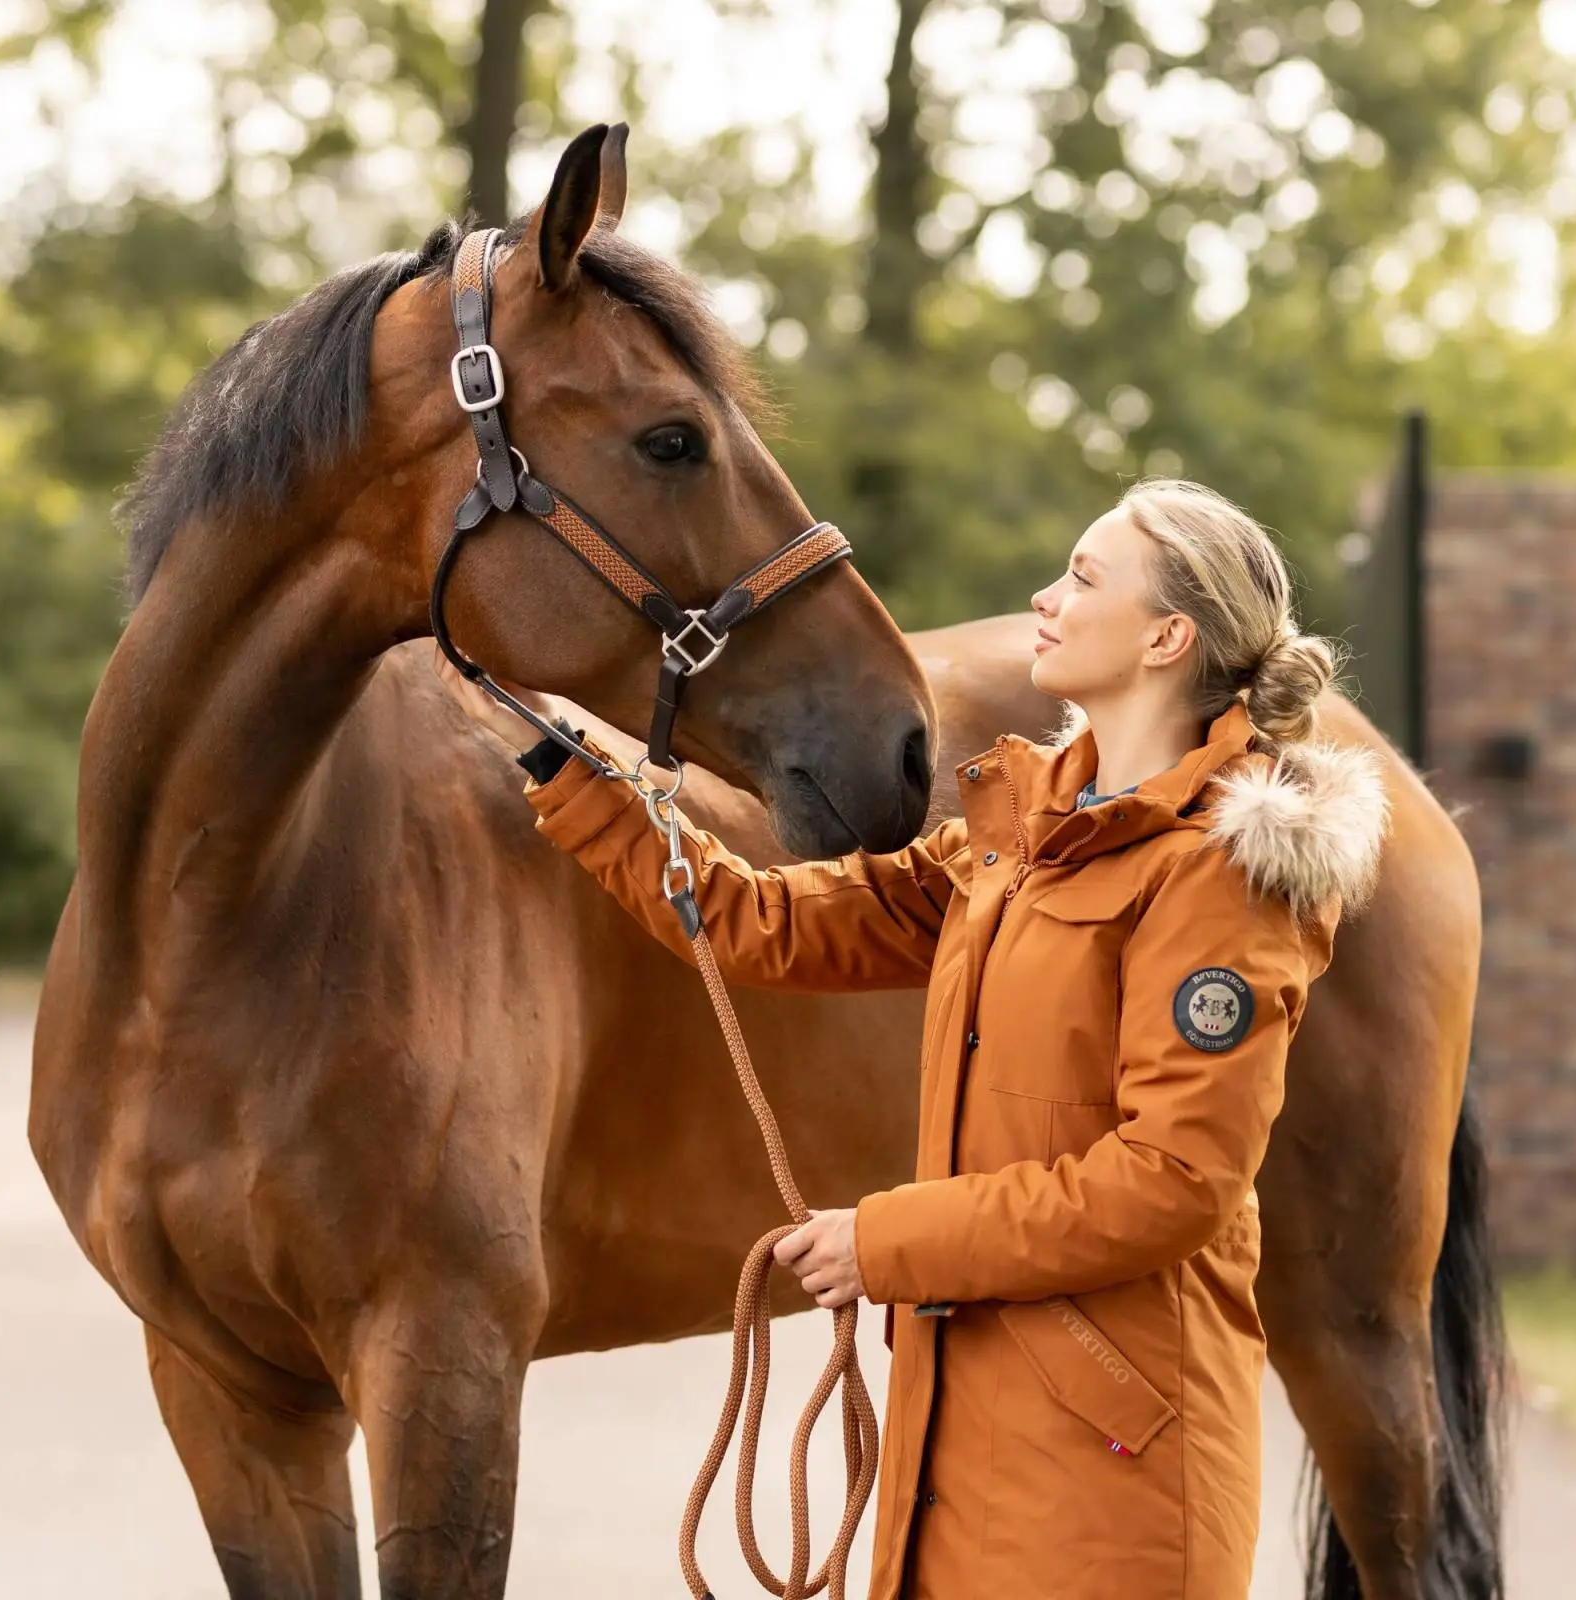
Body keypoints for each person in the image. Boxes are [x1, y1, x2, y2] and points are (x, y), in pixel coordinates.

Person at [513, 479, 1389, 1600]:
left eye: (1083, 576)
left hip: (1115, 1476)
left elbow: (1174, 1180)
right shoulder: (1016, 838)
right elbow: (762, 921)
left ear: (1167, 635)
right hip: (965, 1436)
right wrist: (565, 768)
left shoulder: (1216, 879)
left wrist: (885, 1242)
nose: (1045, 594)